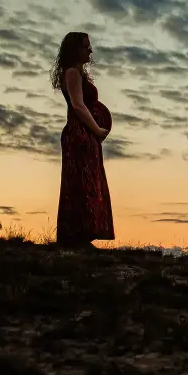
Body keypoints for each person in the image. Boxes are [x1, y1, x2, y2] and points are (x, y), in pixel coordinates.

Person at [50, 31, 114, 248]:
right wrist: (96, 129)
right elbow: (78, 105)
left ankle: (83, 235)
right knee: (81, 183)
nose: (90, 50)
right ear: (75, 49)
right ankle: (76, 235)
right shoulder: (71, 74)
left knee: (87, 183)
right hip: (79, 134)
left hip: (83, 133)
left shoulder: (77, 74)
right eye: (86, 46)